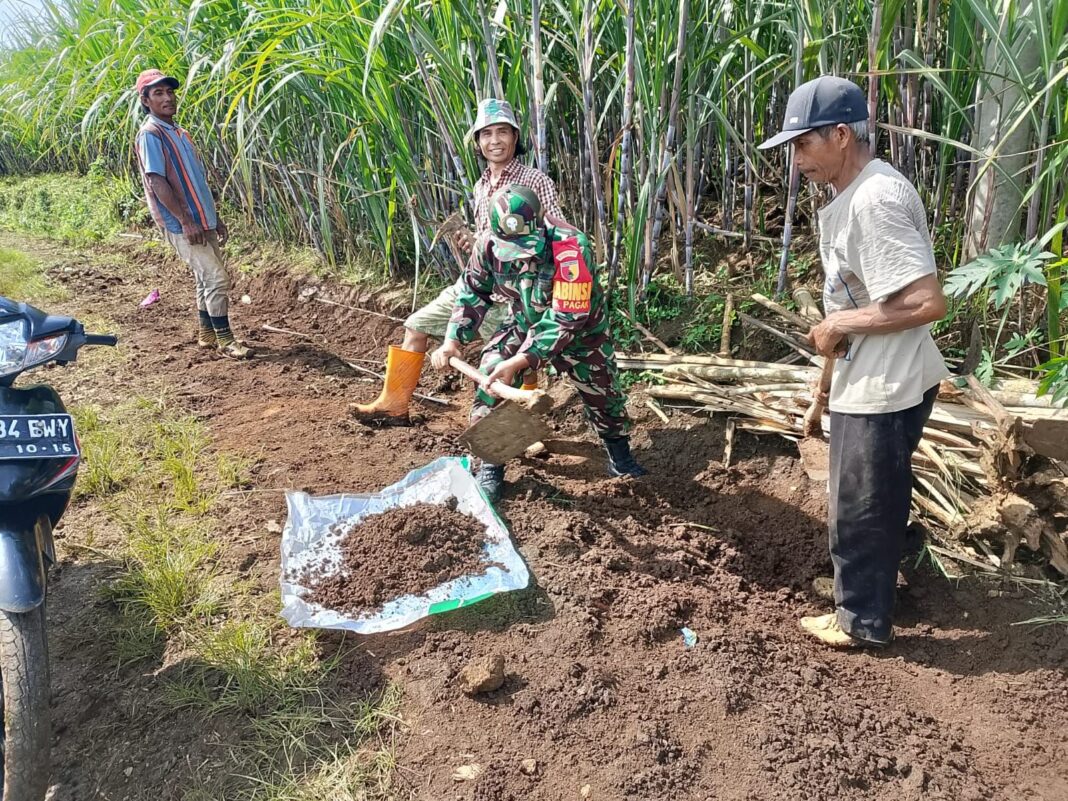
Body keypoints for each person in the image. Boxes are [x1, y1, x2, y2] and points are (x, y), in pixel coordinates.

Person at [758, 76, 949, 648]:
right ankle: (883, 583)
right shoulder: (859, 191)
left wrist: (840, 323)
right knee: (881, 490)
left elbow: (926, 300)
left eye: (801, 145)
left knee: (858, 504)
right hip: (878, 369)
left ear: (841, 135)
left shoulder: (874, 198)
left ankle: (862, 621)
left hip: (886, 380)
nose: (795, 162)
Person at [352, 98, 565, 425]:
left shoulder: (534, 182)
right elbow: (489, 243)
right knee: (416, 325)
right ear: (478, 143)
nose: (495, 141)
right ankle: (394, 404)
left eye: (503, 132)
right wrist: (473, 242)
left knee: (520, 363)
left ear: (515, 137)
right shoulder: (481, 187)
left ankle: (528, 429)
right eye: (487, 134)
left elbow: (557, 235)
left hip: (520, 290)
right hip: (481, 286)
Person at [430, 185, 646, 502]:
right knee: (490, 375)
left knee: (604, 393)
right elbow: (473, 292)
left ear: (541, 223)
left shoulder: (571, 246)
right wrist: (452, 341)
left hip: (580, 330)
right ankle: (492, 463)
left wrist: (521, 360)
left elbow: (567, 317)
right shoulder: (489, 244)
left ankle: (620, 457)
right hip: (524, 319)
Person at [133, 69, 250, 359]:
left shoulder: (180, 133)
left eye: (169, 92)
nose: (168, 98)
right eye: (158, 93)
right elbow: (156, 180)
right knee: (217, 278)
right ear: (145, 101)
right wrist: (185, 221)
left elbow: (195, 179)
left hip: (201, 217)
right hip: (181, 222)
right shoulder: (151, 134)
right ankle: (226, 340)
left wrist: (214, 217)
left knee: (204, 278)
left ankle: (207, 335)